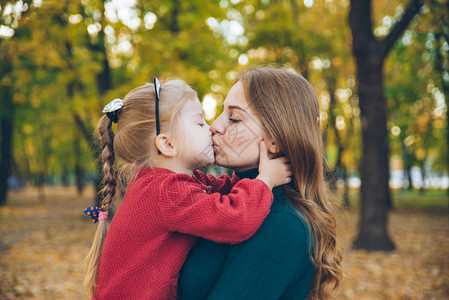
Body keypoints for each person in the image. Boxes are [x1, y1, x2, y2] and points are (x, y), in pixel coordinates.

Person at [83, 79, 292, 299]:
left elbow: (222, 191)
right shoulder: (166, 191)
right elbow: (235, 220)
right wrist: (266, 180)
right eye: (200, 124)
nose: (211, 128)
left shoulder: (167, 183)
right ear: (167, 144)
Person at [178, 67, 343, 300]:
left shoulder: (283, 224)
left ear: (275, 139)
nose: (215, 125)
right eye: (222, 112)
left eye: (234, 118)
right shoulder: (225, 201)